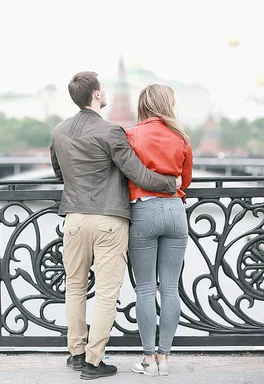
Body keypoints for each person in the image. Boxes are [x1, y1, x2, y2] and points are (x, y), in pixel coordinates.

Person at [50, 71, 181, 380]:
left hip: (74, 220)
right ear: (96, 95)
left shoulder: (59, 131)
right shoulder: (112, 132)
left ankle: (76, 353)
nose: (106, 91)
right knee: (108, 293)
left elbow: (60, 173)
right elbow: (138, 174)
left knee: (75, 288)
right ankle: (94, 363)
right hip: (109, 220)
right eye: (103, 88)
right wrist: (170, 183)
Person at [126, 84, 193, 377]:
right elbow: (185, 180)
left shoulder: (131, 135)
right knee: (169, 288)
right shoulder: (181, 137)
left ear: (143, 104)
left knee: (144, 288)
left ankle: (148, 359)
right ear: (168, 105)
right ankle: (165, 358)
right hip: (176, 212)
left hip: (143, 210)